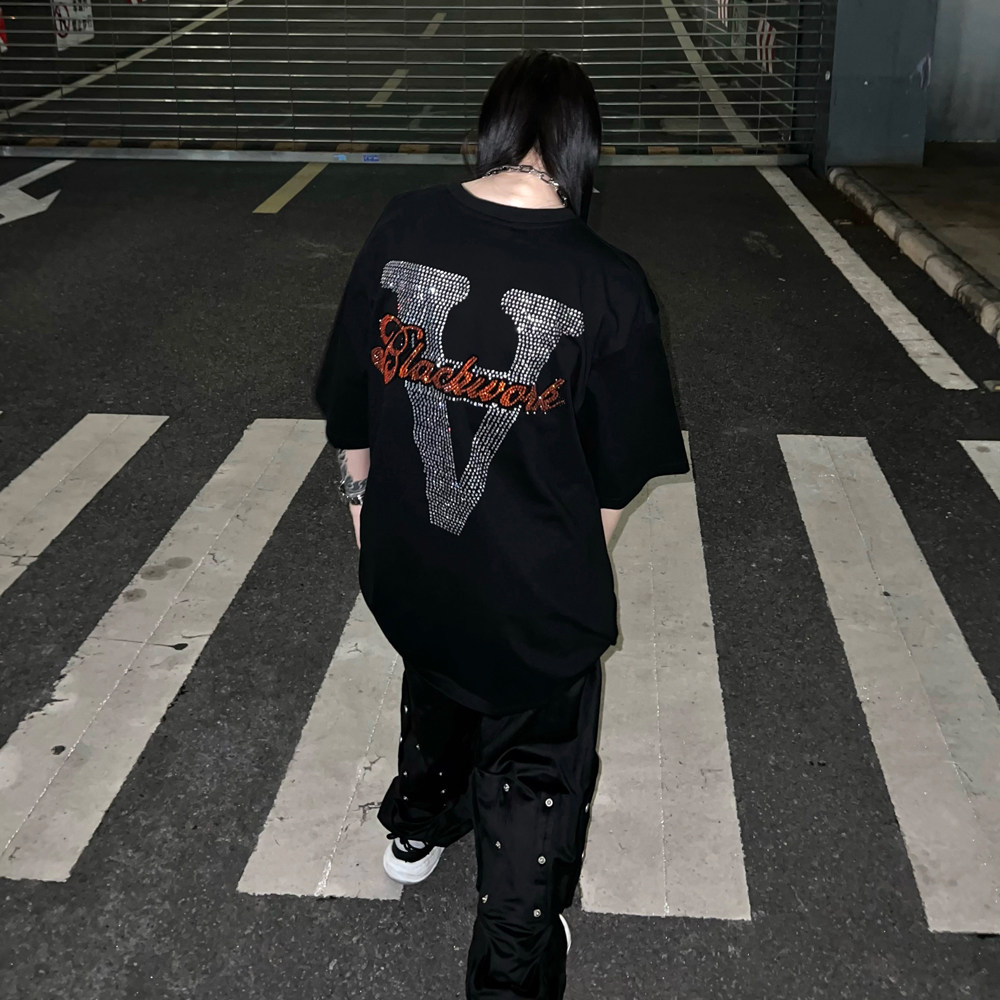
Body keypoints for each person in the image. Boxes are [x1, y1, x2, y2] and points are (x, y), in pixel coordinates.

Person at [315, 50, 688, 1000]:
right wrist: (569, 566)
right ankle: (513, 959)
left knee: (440, 670)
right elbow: (619, 473)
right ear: (582, 149)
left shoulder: (404, 224)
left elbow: (348, 400)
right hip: (531, 594)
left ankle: (418, 825)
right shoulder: (608, 283)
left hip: (410, 565)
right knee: (533, 763)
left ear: (491, 129)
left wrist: (362, 513)